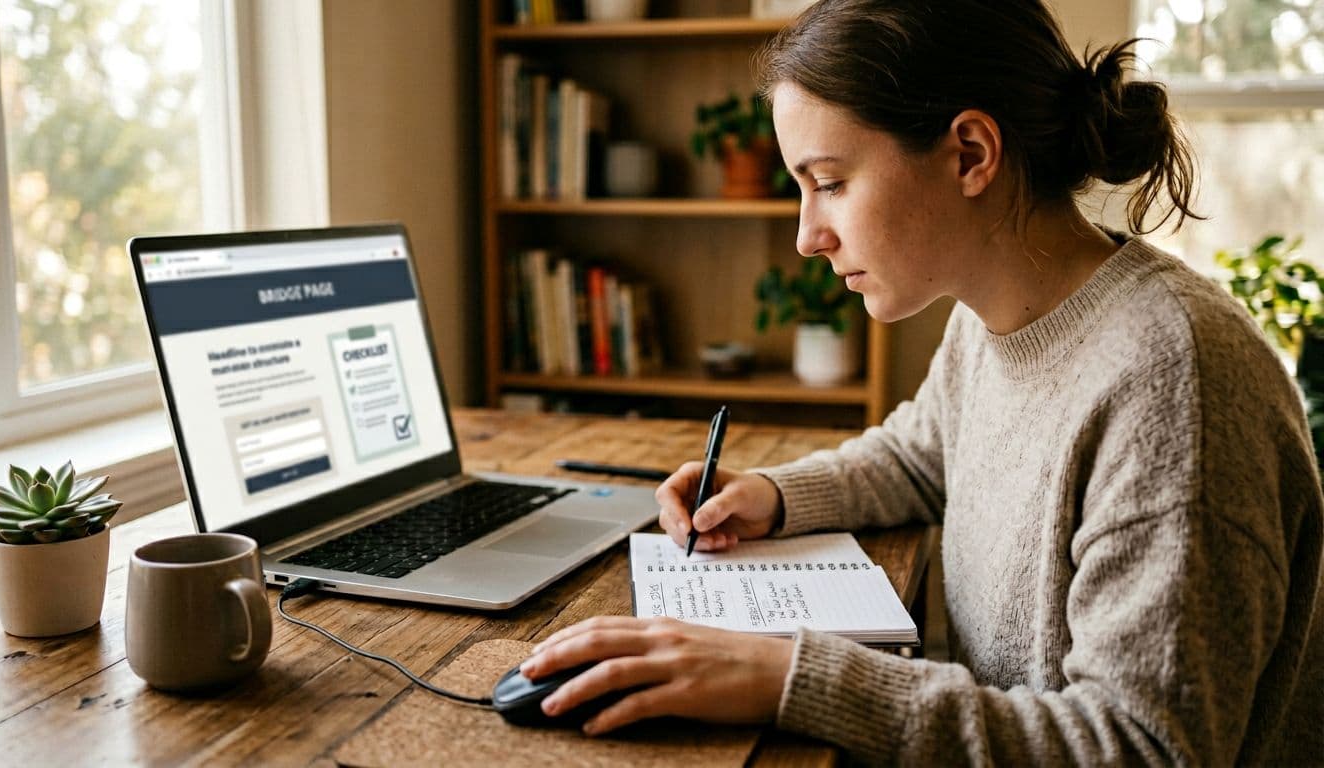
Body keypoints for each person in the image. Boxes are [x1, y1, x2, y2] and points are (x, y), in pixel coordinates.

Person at [518, 0, 1324, 763]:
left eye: (829, 181)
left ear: (970, 154)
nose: (806, 236)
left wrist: (785, 678)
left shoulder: (1172, 382)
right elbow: (920, 455)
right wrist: (773, 493)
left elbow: (1140, 747)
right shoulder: (996, 312)